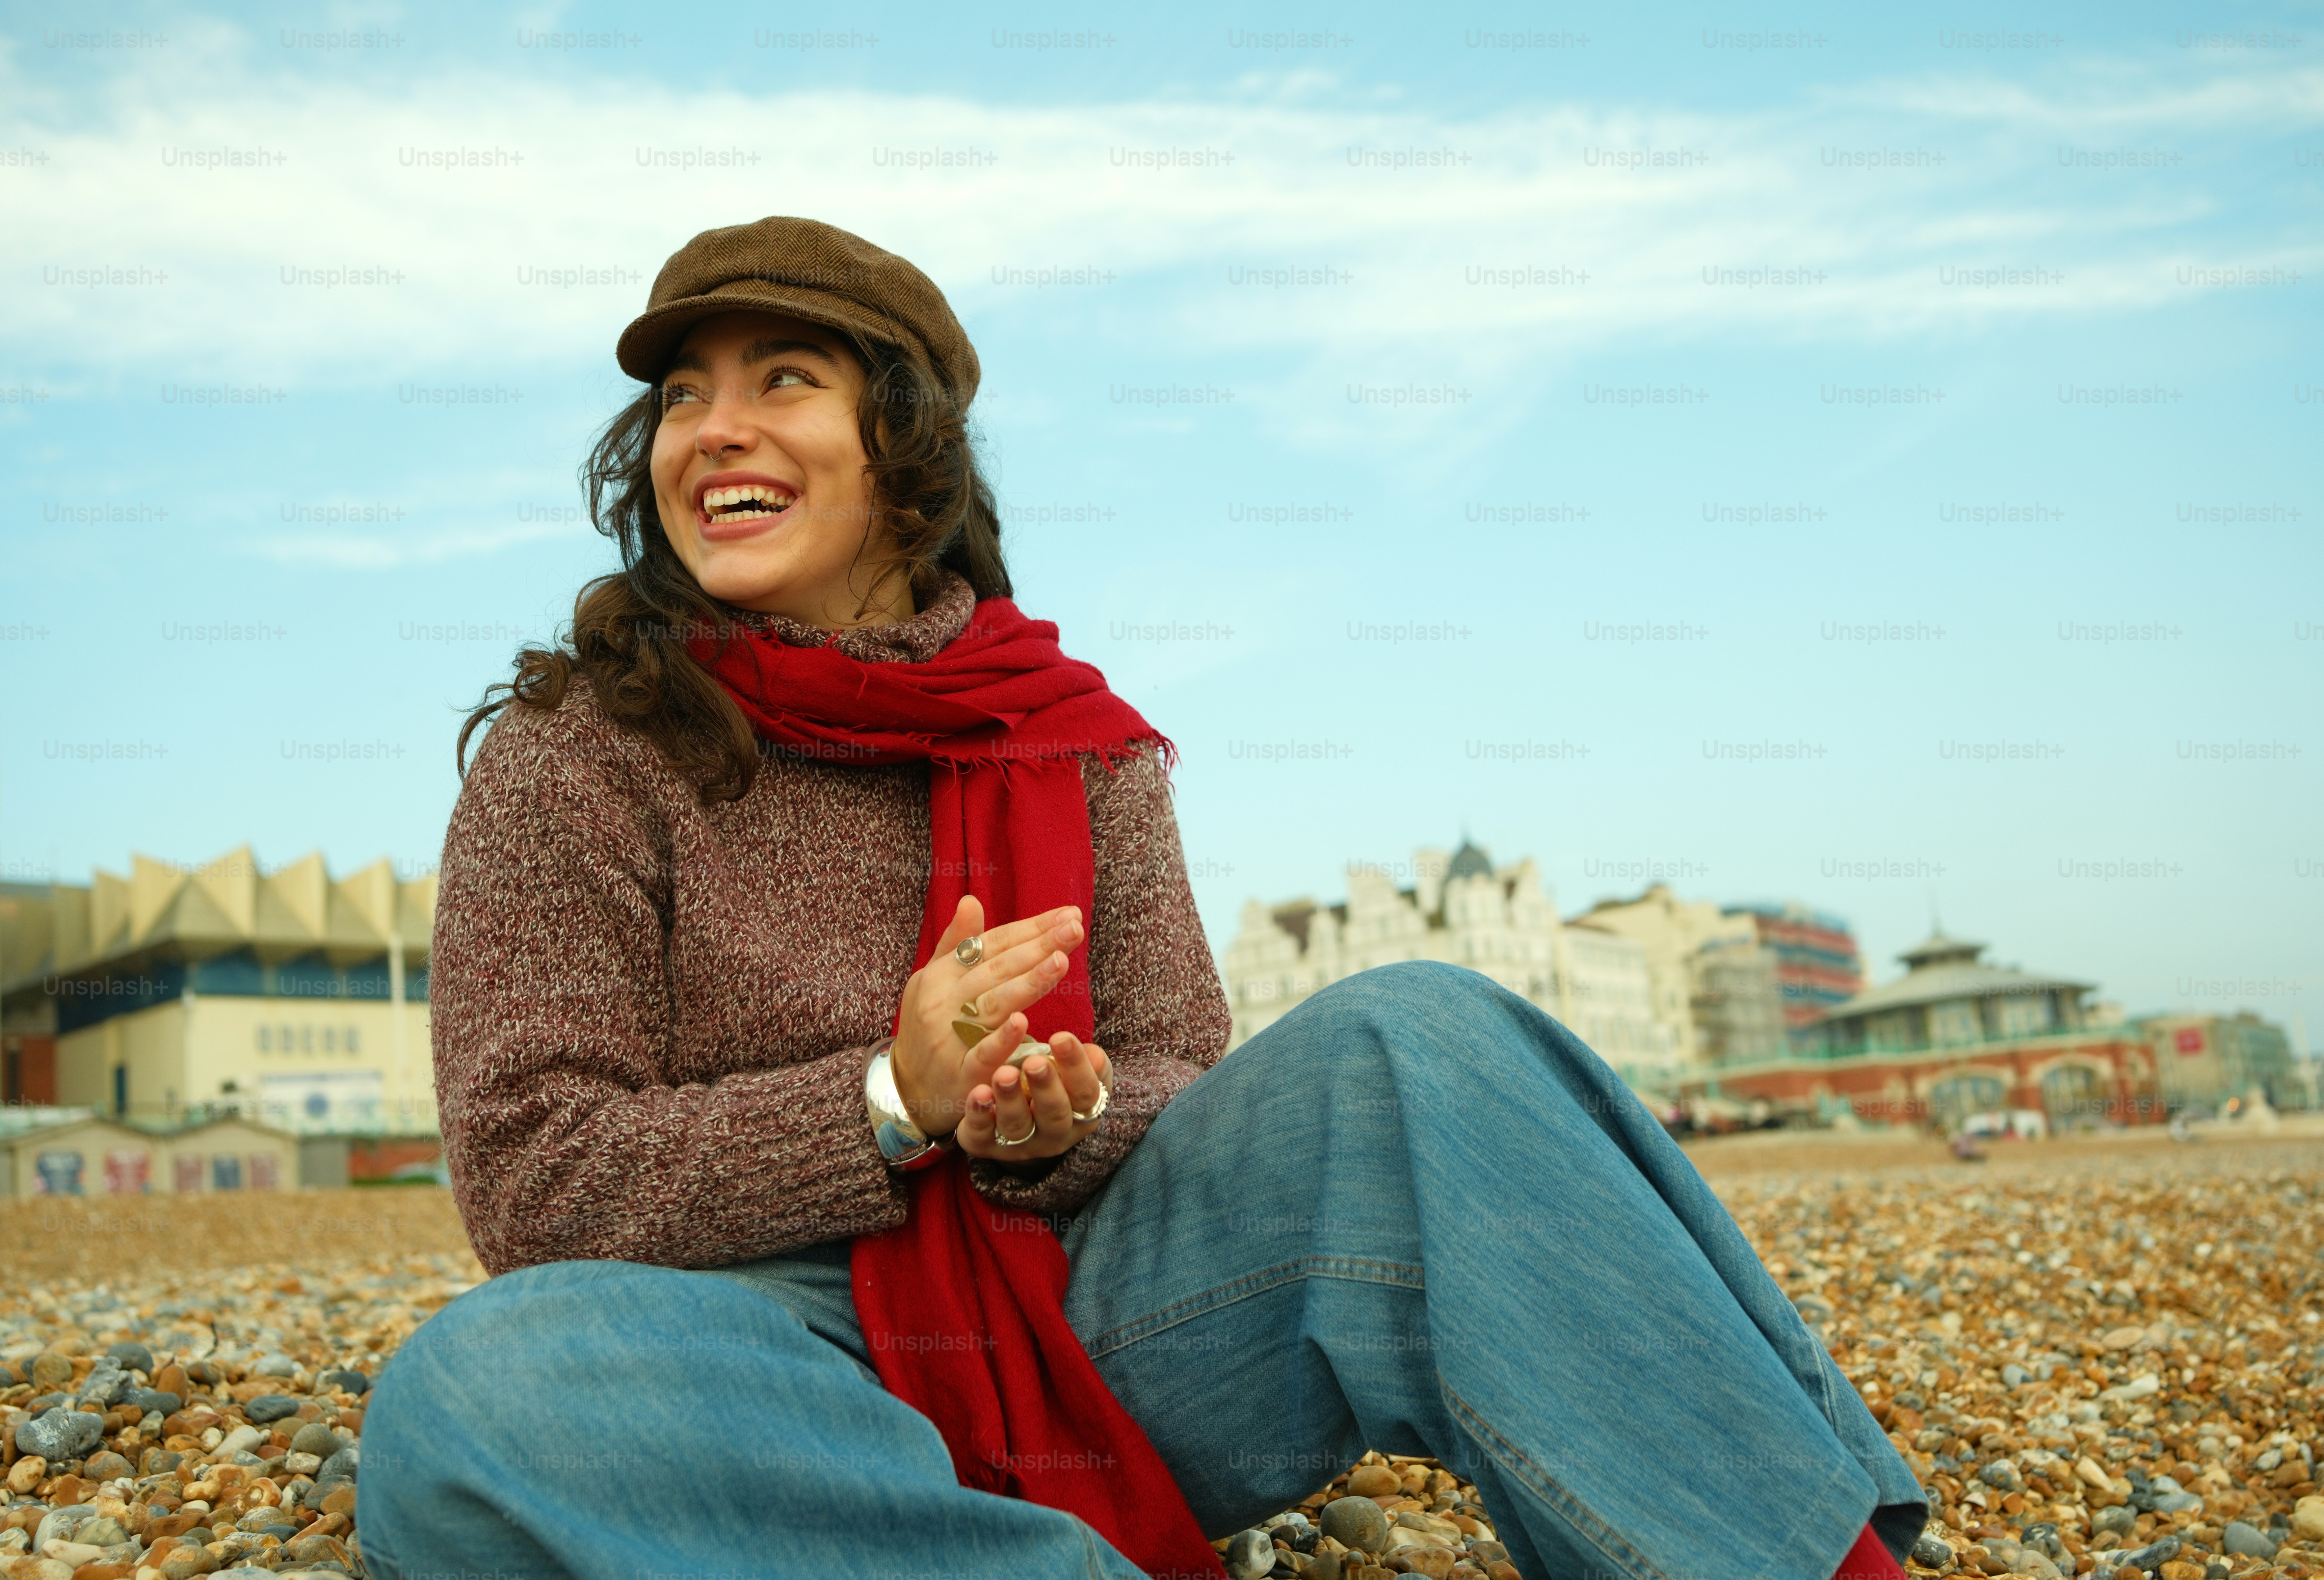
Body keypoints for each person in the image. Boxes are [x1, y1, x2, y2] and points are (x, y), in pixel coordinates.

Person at [357, 217, 1925, 1580]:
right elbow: (532, 1177)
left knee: (1423, 1033)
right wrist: (889, 1097)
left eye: (782, 378)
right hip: (755, 1370)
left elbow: (1184, 1067)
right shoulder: (577, 756)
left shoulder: (1077, 741)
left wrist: (1061, 1122)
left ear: (904, 454)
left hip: (1099, 1329)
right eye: (681, 395)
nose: (713, 430)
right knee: (471, 1410)